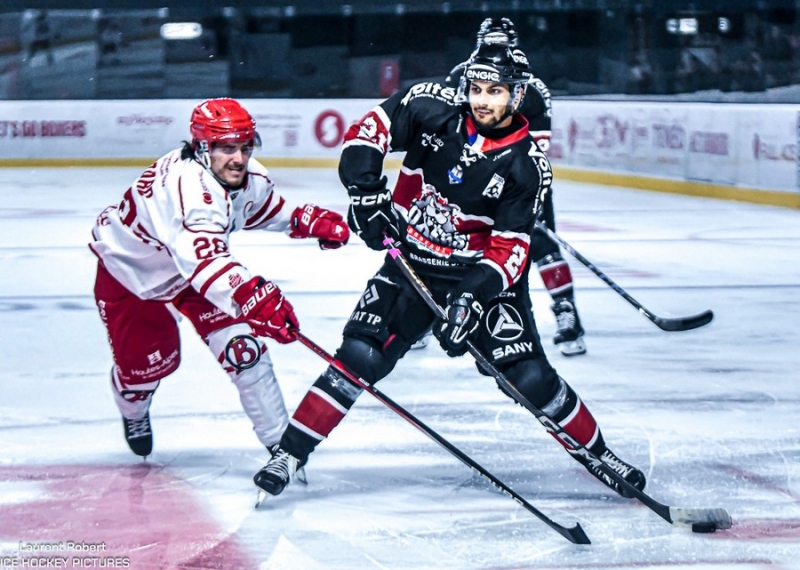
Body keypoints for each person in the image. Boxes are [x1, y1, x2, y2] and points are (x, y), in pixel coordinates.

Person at [252, 38, 646, 500]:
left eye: (495, 91)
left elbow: (511, 249)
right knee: (359, 358)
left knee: (529, 378)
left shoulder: (528, 167)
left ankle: (599, 455)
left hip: (480, 280)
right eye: (477, 87)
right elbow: (366, 134)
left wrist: (470, 298)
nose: (482, 99)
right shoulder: (428, 105)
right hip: (412, 265)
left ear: (516, 96)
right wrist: (364, 193)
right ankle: (290, 452)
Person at [89, 98, 350, 460]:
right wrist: (250, 294)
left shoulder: (242, 173)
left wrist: (305, 220)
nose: (239, 158)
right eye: (227, 148)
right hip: (133, 276)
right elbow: (206, 263)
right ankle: (133, 408)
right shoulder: (189, 192)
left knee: (246, 352)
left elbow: (259, 208)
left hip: (196, 275)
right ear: (202, 148)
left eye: (245, 147)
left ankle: (283, 448)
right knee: (147, 370)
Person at [446, 17, 586, 357]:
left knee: (541, 243)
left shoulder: (531, 88)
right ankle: (423, 316)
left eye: (502, 43)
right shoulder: (458, 78)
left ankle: (567, 315)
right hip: (467, 181)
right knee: (442, 246)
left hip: (518, 182)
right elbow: (446, 132)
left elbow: (534, 150)